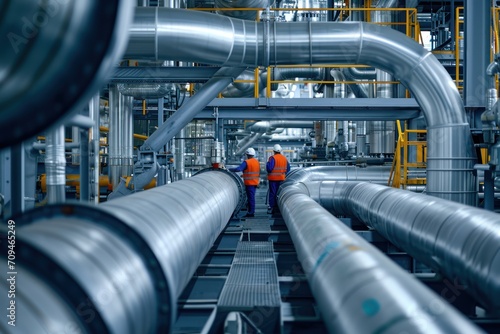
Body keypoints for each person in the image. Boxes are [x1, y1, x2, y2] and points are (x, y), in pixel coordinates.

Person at [229, 147, 260, 218]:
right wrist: (245, 174)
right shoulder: (256, 162)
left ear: (247, 155)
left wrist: (229, 169)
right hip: (255, 182)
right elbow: (254, 172)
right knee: (251, 197)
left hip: (249, 183)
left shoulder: (247, 162)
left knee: (251, 198)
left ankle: (251, 212)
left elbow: (239, 169)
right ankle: (250, 211)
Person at [266, 144, 290, 214]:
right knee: (280, 193)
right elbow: (288, 169)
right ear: (280, 151)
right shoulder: (284, 158)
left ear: (273, 151)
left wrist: (268, 164)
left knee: (273, 193)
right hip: (282, 179)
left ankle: (271, 207)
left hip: (273, 179)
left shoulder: (272, 158)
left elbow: (269, 169)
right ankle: (279, 208)